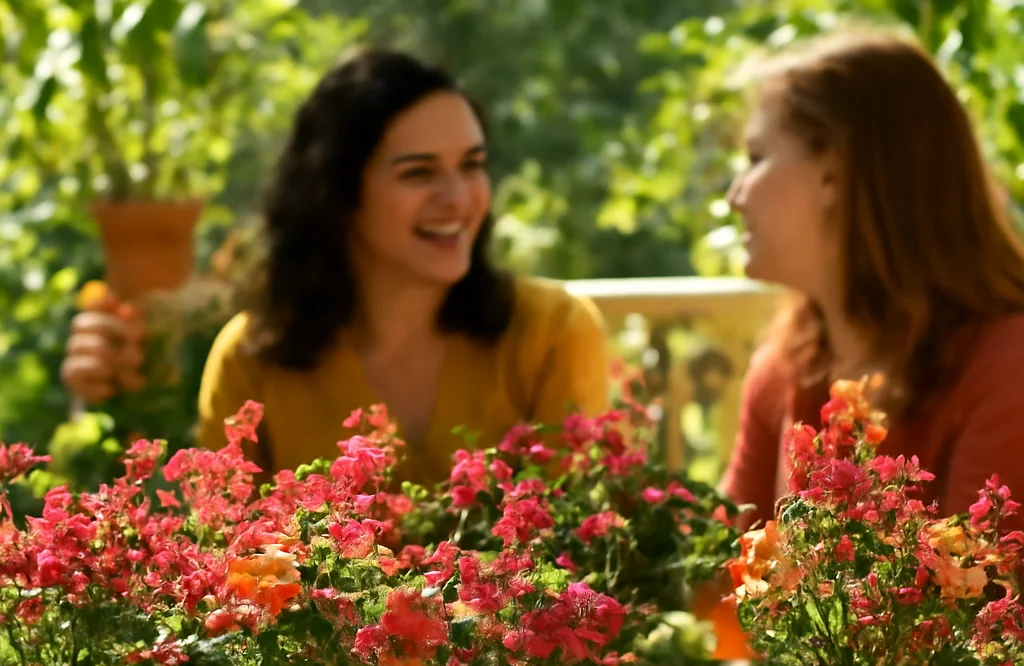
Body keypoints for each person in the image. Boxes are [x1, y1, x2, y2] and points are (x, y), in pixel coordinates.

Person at [60, 50, 609, 484]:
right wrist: (102, 401)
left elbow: (581, 552)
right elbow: (214, 559)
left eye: (472, 166)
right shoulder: (253, 359)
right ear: (339, 193)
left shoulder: (552, 332)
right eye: (419, 173)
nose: (459, 198)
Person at [720, 29, 1024, 530]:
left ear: (834, 174)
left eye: (756, 158)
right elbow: (718, 581)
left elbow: (979, 603)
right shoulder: (785, 366)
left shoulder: (1005, 371)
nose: (736, 195)